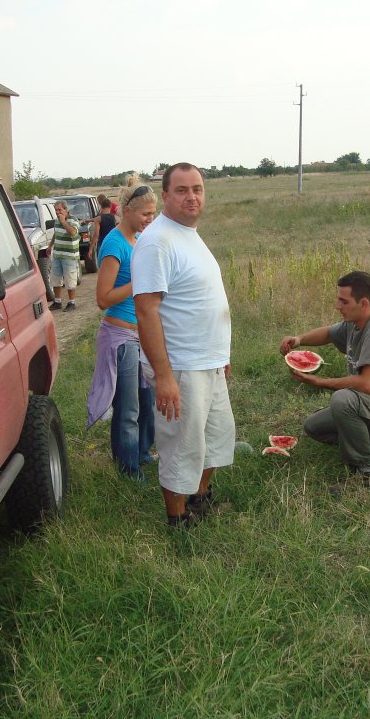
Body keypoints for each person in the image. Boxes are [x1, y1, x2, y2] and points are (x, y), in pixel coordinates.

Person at [133, 163, 235, 528]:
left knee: (215, 438)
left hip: (207, 362)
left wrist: (220, 356)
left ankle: (199, 499)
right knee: (182, 446)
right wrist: (164, 376)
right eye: (181, 190)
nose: (192, 197)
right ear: (165, 196)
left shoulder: (188, 234)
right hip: (180, 365)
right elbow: (146, 311)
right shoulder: (157, 241)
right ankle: (178, 520)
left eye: (197, 189)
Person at [279, 271, 370, 487]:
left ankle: (365, 472)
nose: (337, 306)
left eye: (343, 301)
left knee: (343, 400)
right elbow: (329, 333)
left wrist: (319, 382)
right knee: (314, 426)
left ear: (363, 303)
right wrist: (299, 339)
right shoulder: (357, 322)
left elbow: (367, 384)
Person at [86, 176, 158, 481]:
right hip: (121, 337)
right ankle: (129, 470)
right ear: (127, 211)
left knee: (146, 403)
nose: (150, 219)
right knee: (128, 409)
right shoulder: (115, 243)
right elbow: (103, 299)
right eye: (145, 214)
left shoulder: (138, 239)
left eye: (153, 214)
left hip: (142, 335)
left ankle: (142, 454)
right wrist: (138, 281)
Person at [49, 200, 80, 311]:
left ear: (66, 209)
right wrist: (50, 246)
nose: (57, 212)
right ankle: (57, 301)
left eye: (60, 210)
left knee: (70, 280)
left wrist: (63, 222)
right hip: (57, 254)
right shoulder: (56, 221)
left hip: (69, 256)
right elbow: (56, 233)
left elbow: (73, 233)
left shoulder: (73, 220)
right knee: (56, 279)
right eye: (56, 210)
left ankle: (72, 302)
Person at [89, 194, 118, 268]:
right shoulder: (116, 218)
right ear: (110, 206)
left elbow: (96, 234)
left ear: (101, 206)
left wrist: (91, 248)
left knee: (102, 267)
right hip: (113, 244)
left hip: (102, 244)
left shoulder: (98, 219)